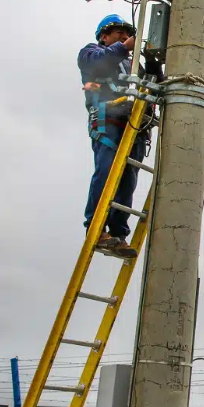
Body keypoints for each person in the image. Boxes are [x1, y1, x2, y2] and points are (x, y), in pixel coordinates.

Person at [78, 14, 161, 259]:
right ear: (104, 36)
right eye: (118, 33)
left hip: (134, 126)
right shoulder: (90, 52)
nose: (125, 38)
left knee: (128, 180)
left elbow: (155, 83)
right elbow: (97, 64)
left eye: (127, 34)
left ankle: (118, 233)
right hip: (108, 121)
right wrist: (124, 48)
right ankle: (96, 228)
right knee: (106, 171)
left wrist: (152, 61)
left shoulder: (132, 63)